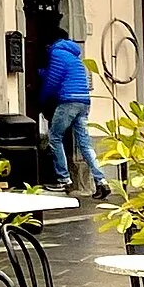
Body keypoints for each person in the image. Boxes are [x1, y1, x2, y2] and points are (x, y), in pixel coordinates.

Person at [39, 33, 102, 195]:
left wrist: (42, 98)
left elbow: (53, 80)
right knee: (85, 143)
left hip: (68, 101)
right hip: (84, 101)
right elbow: (65, 75)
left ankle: (63, 180)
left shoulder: (56, 52)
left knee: (54, 137)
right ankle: (101, 181)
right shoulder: (74, 56)